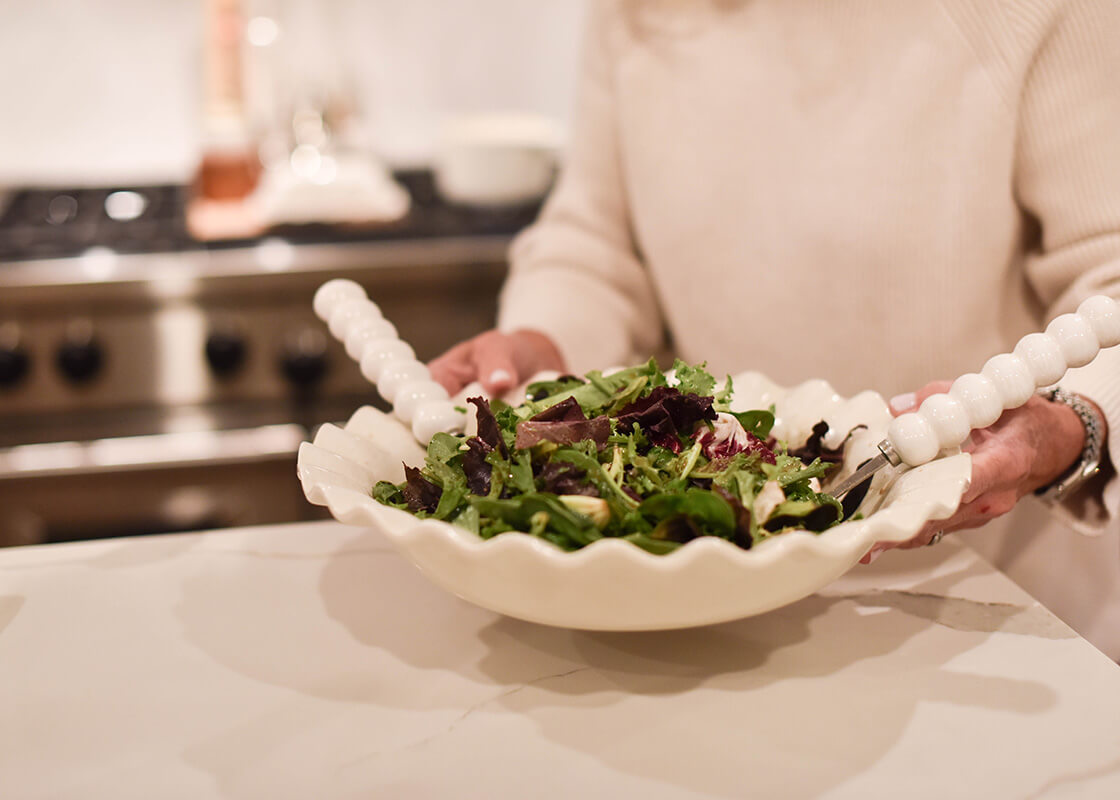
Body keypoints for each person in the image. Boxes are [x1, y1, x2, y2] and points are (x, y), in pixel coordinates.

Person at [429, 0, 1120, 659]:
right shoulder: (640, 13)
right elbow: (600, 243)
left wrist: (1068, 425)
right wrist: (541, 340)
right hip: (710, 599)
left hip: (980, 597)